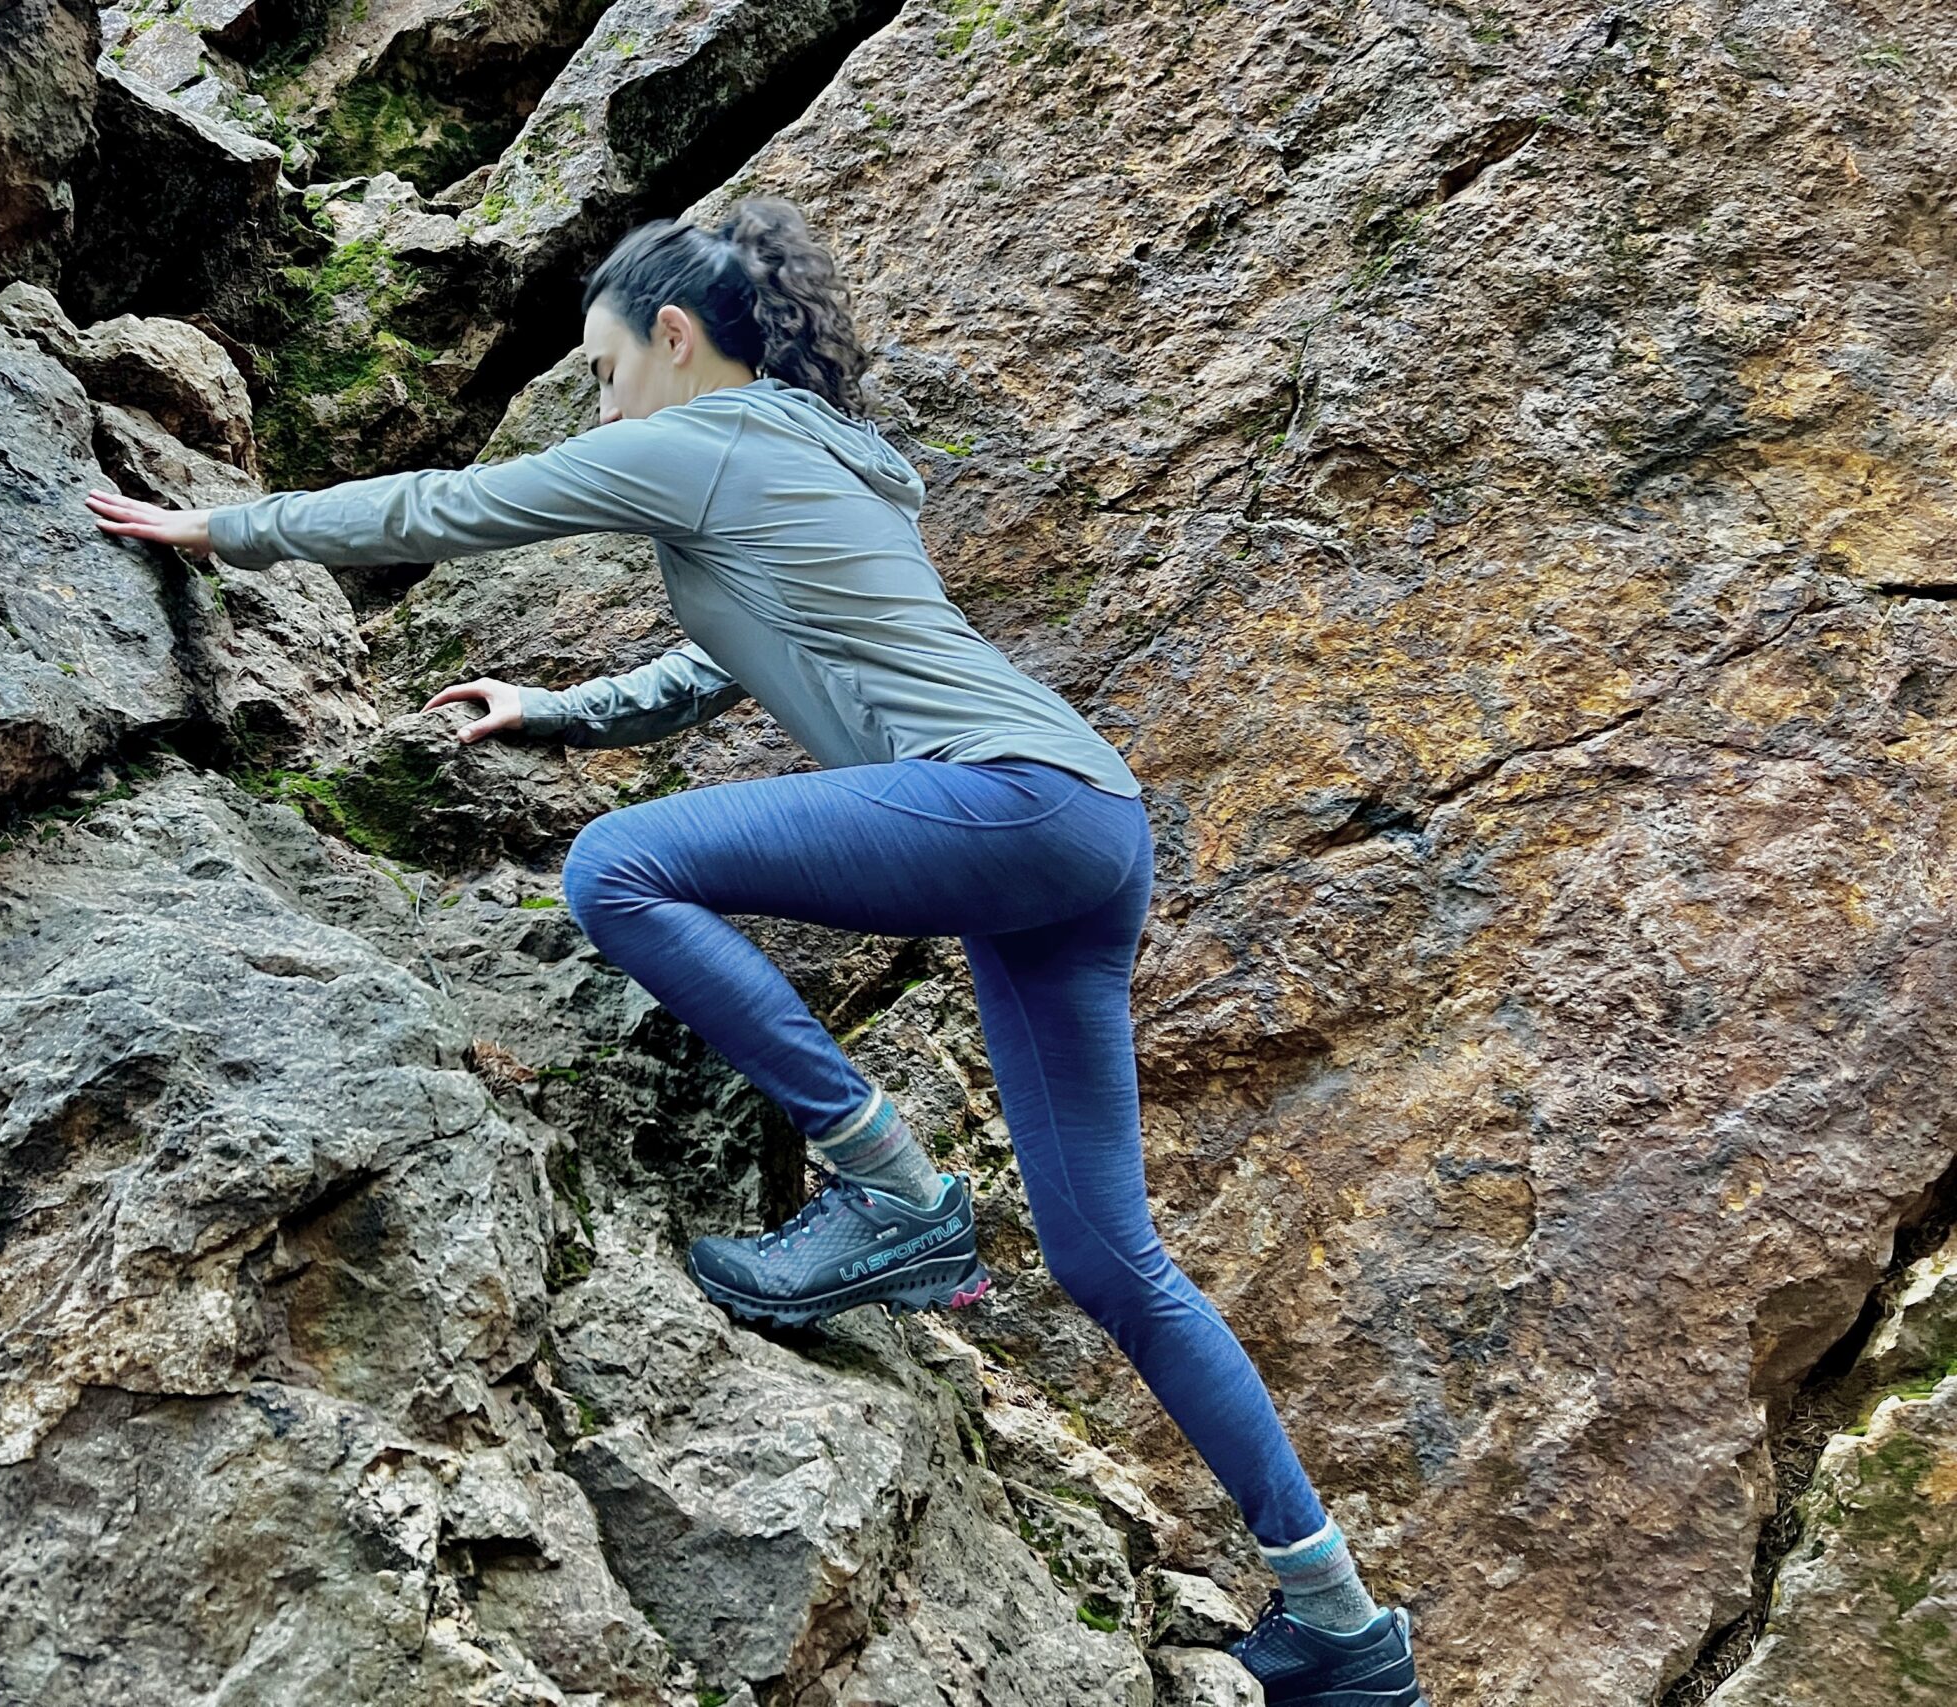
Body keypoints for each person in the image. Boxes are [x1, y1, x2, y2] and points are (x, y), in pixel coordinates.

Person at [84, 196, 1424, 1704]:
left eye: (601, 369)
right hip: (1081, 830)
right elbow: (723, 662)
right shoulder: (815, 465)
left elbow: (452, 505)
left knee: (621, 866)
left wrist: (222, 529)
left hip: (1010, 803)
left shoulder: (698, 442)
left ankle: (892, 1194)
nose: (602, 401)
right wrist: (559, 711)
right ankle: (1344, 1631)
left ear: (673, 337)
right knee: (1113, 1263)